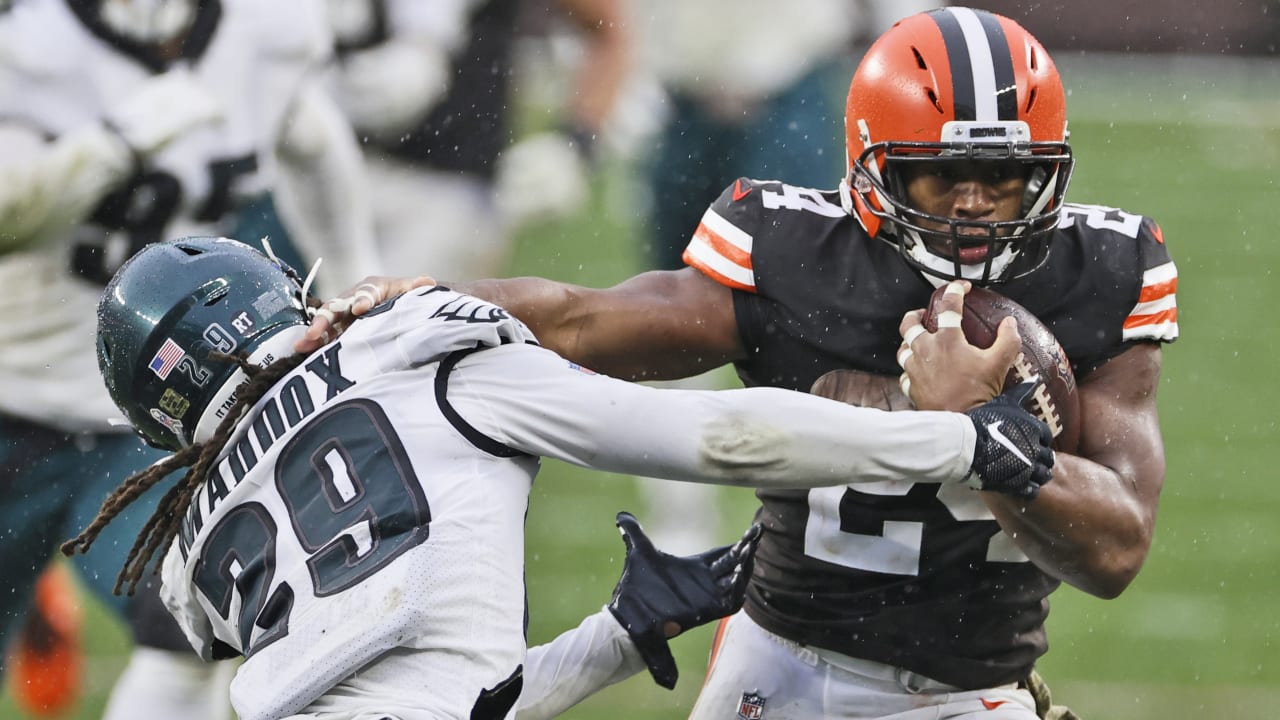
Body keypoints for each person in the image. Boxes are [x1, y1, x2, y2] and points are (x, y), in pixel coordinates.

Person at [300, 6, 1180, 718]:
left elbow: (1117, 548)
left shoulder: (1102, 273)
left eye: (1003, 176)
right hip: (779, 665)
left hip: (963, 693)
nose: (975, 205)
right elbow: (590, 321)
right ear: (873, 170)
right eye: (938, 174)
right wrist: (429, 301)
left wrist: (987, 437)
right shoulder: (799, 250)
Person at [64, 235, 1051, 720]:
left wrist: (614, 639)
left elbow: (436, 704)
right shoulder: (404, 349)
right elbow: (718, 437)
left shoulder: (197, 544)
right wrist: (958, 443)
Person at [0, 0, 378, 717]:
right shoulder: (25, 38)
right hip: (7, 392)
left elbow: (312, 138)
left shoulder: (267, 28)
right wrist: (107, 149)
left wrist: (362, 277)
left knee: (196, 625)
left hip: (156, 414)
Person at [324, 0, 631, 282]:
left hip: (446, 192)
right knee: (298, 332)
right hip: (315, 173)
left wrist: (575, 145)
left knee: (400, 333)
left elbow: (607, 30)